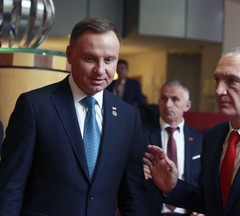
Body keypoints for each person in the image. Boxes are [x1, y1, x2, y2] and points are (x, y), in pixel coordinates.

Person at [0, 17, 147, 215]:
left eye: (109, 60)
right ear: (70, 55)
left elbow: (133, 195)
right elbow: (11, 186)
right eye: (90, 58)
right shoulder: (35, 107)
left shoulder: (129, 117)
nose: (100, 70)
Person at [143, 47, 240, 216]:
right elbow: (212, 203)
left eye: (232, 81)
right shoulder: (213, 137)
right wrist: (173, 186)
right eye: (217, 80)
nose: (218, 90)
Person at [143, 80, 202, 216]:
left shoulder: (199, 141)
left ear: (187, 105)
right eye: (163, 98)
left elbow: (203, 182)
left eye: (175, 99)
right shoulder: (141, 135)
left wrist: (200, 210)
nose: (168, 104)